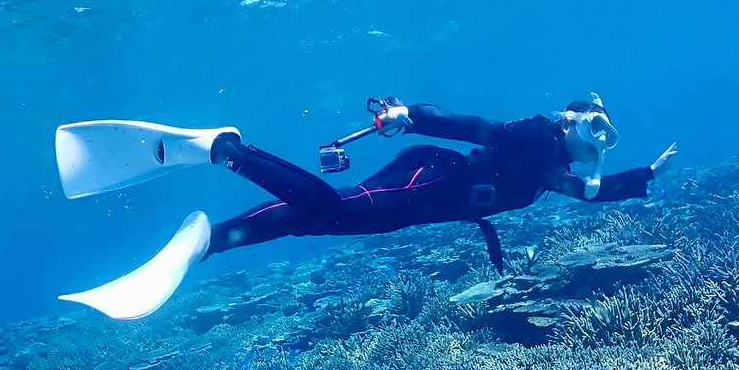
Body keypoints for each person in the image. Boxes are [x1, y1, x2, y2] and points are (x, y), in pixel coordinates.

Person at [55, 94, 676, 319]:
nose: (597, 141)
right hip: (429, 180)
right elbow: (475, 126)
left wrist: (640, 175)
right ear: (570, 120)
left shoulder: (552, 168)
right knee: (334, 210)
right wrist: (409, 118)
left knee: (318, 219)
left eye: (606, 135)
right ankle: (224, 150)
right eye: (595, 128)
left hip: (431, 197)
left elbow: (589, 195)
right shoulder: (536, 137)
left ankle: (211, 240)